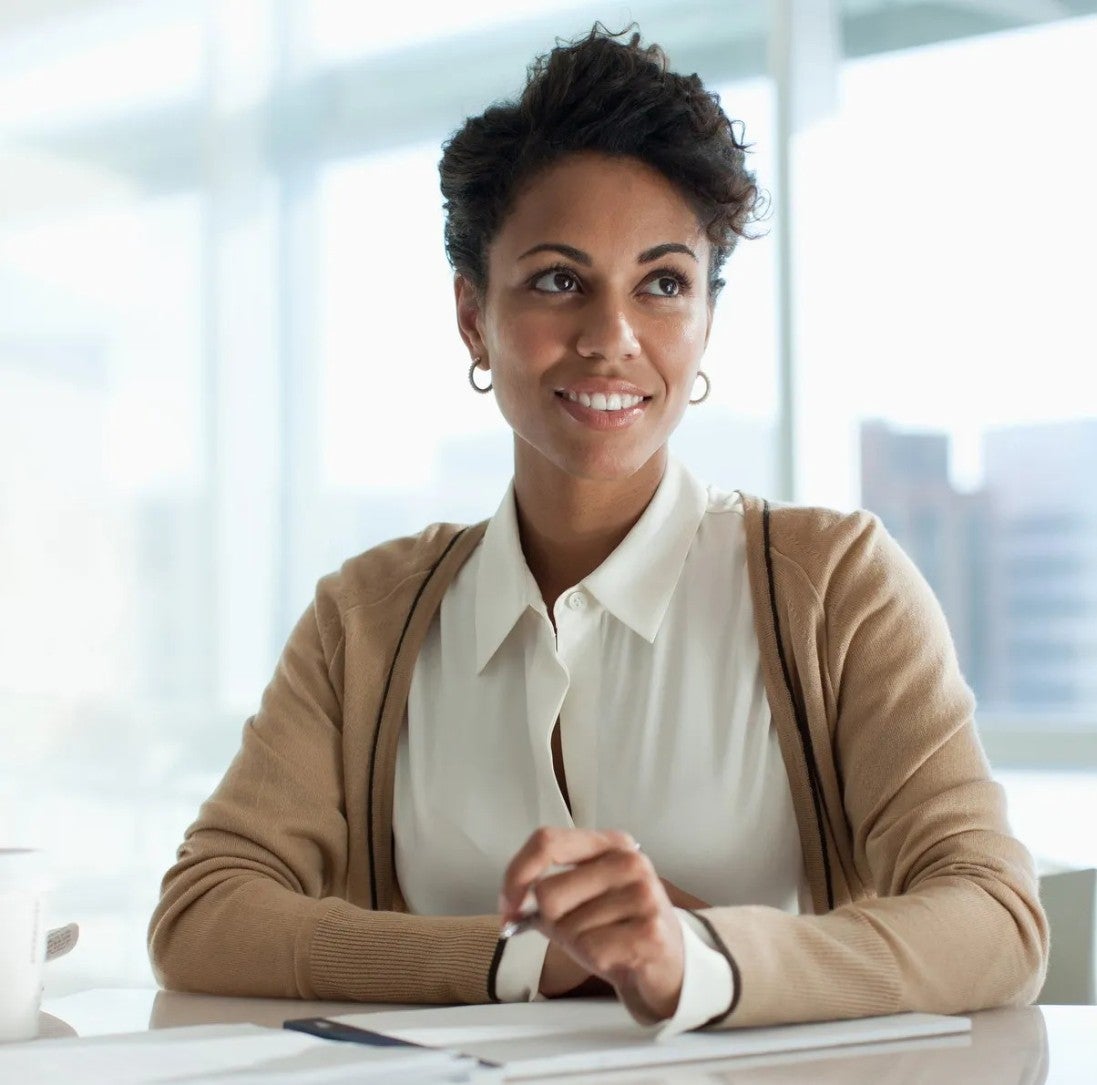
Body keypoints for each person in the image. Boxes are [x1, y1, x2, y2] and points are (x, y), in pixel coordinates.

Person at [148, 25, 1047, 1034]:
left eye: (662, 283)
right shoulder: (367, 615)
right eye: (557, 280)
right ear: (471, 317)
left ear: (705, 317)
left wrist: (694, 957)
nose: (610, 336)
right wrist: (527, 957)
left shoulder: (832, 583)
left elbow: (996, 920)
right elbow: (204, 912)